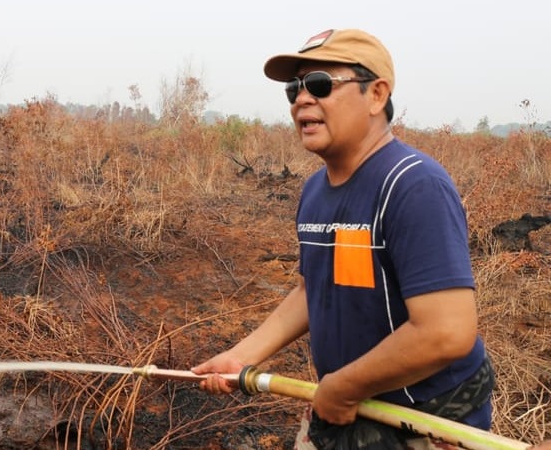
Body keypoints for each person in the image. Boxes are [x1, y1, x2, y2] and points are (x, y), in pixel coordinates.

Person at [192, 29, 494, 450]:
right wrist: (242, 356)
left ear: (376, 95)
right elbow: (312, 289)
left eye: (319, 85)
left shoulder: (413, 186)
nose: (301, 99)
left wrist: (345, 386)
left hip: (420, 420)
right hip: (342, 411)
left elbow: (446, 332)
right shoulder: (316, 190)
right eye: (294, 89)